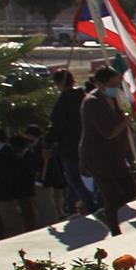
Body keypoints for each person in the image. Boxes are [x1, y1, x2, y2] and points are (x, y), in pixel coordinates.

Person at [79, 67, 136, 237]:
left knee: (131, 190)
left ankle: (105, 214)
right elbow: (109, 132)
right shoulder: (92, 103)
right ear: (100, 85)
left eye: (117, 84)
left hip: (115, 156)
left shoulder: (113, 98)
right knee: (110, 194)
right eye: (112, 85)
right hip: (97, 157)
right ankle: (114, 229)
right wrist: (127, 120)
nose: (116, 88)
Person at [45, 68, 90, 218]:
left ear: (59, 83)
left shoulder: (64, 101)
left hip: (69, 147)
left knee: (74, 178)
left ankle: (90, 205)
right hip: (85, 144)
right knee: (75, 178)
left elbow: (57, 126)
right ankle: (71, 206)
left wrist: (48, 142)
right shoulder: (84, 97)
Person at [0, 128, 42, 236]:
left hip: (7, 192)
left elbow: (10, 173)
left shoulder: (7, 152)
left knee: (12, 221)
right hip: (3, 192)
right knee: (8, 220)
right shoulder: (2, 152)